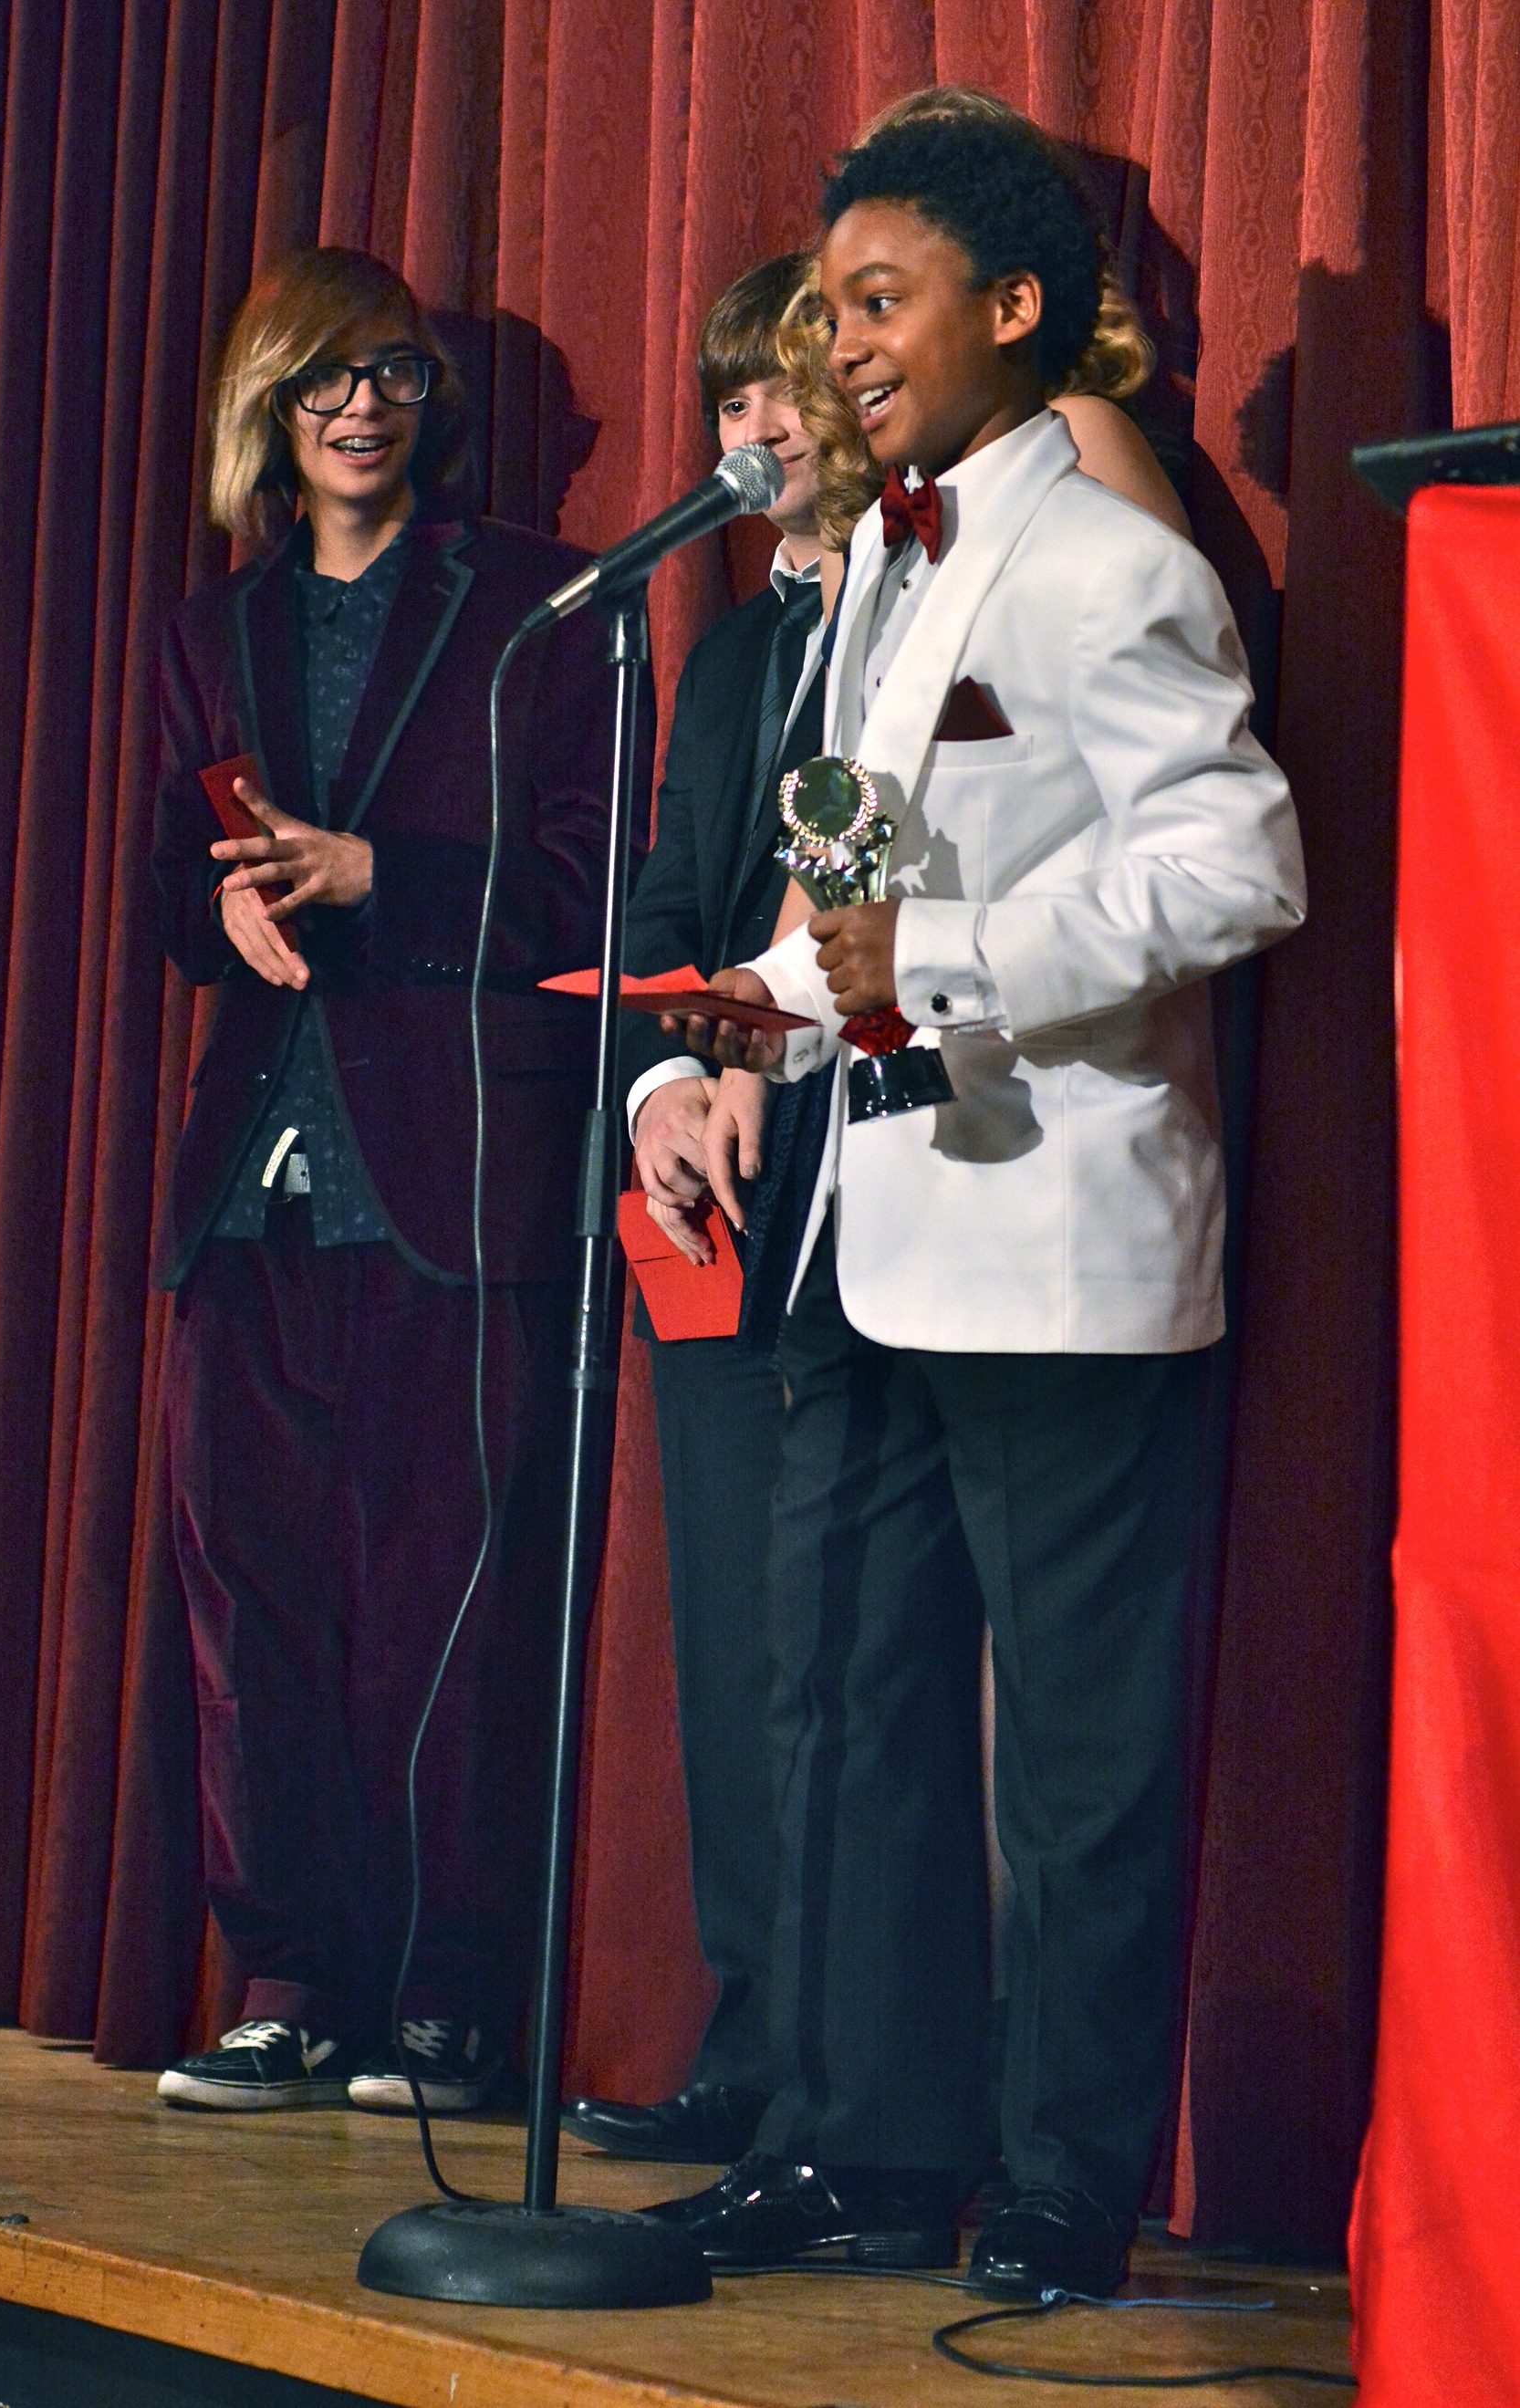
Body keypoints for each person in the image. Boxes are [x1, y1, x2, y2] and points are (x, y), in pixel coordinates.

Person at [645, 111, 1304, 2294]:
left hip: (1057, 1237)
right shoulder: (892, 568)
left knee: (1078, 1758)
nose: (836, 348)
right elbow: (857, 899)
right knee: (852, 1702)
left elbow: (1238, 860)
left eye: (876, 301)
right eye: (820, 308)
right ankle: (864, 2140)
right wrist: (737, 1022)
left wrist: (946, 966)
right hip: (870, 1223)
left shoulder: (1113, 561)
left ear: (1013, 312)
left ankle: (1061, 2179)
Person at [149, 247, 629, 2117]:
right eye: (326, 381)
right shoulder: (216, 628)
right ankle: (291, 1978)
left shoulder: (537, 598)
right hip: (255, 1184)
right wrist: (233, 901)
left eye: (395, 379)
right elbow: (162, 888)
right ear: (268, 408)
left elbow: (597, 884)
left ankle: (445, 2000)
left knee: (457, 1603)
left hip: (459, 1162)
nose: (362, 410)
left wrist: (380, 885)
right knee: (247, 1601)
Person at [560, 255, 831, 2167]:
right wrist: (661, 1087)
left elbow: (875, 892)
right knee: (735, 1623)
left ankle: (871, 2051)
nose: (756, 432)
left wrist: (769, 1047)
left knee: (859, 1640)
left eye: (791, 389)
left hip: (869, 1154)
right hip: (709, 1192)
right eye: (732, 402)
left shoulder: (926, 619)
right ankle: (752, 2027)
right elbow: (662, 903)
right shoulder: (727, 651)